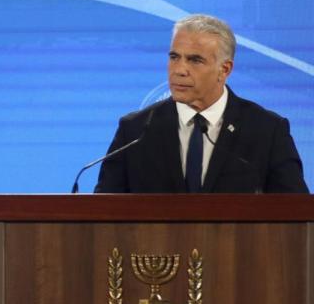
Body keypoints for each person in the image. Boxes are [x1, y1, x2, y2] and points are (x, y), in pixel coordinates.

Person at [95, 13, 308, 194]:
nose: (179, 70)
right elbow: (102, 213)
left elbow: (296, 215)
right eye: (174, 57)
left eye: (195, 60)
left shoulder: (267, 131)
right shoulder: (134, 131)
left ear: (225, 70)